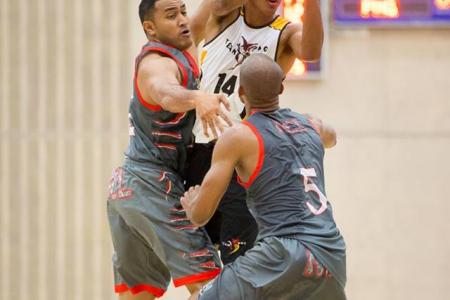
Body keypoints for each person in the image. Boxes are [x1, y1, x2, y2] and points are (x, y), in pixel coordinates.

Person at [181, 54, 346, 300]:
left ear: (241, 92)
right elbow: (331, 136)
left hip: (284, 253)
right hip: (331, 254)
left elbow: (201, 214)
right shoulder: (310, 125)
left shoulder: (238, 136)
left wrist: (191, 203)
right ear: (281, 87)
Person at [106, 1, 233, 299]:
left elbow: (217, 6)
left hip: (126, 188)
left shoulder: (183, 46)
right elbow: (165, 92)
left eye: (183, 11)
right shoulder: (156, 64)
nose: (182, 20)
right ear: (150, 28)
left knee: (138, 294)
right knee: (213, 286)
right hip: (153, 186)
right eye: (171, 15)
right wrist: (196, 98)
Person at [185, 0, 325, 264]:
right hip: (195, 148)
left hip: (238, 158)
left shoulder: (286, 33)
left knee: (236, 262)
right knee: (198, 265)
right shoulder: (223, 13)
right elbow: (202, 19)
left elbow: (311, 51)